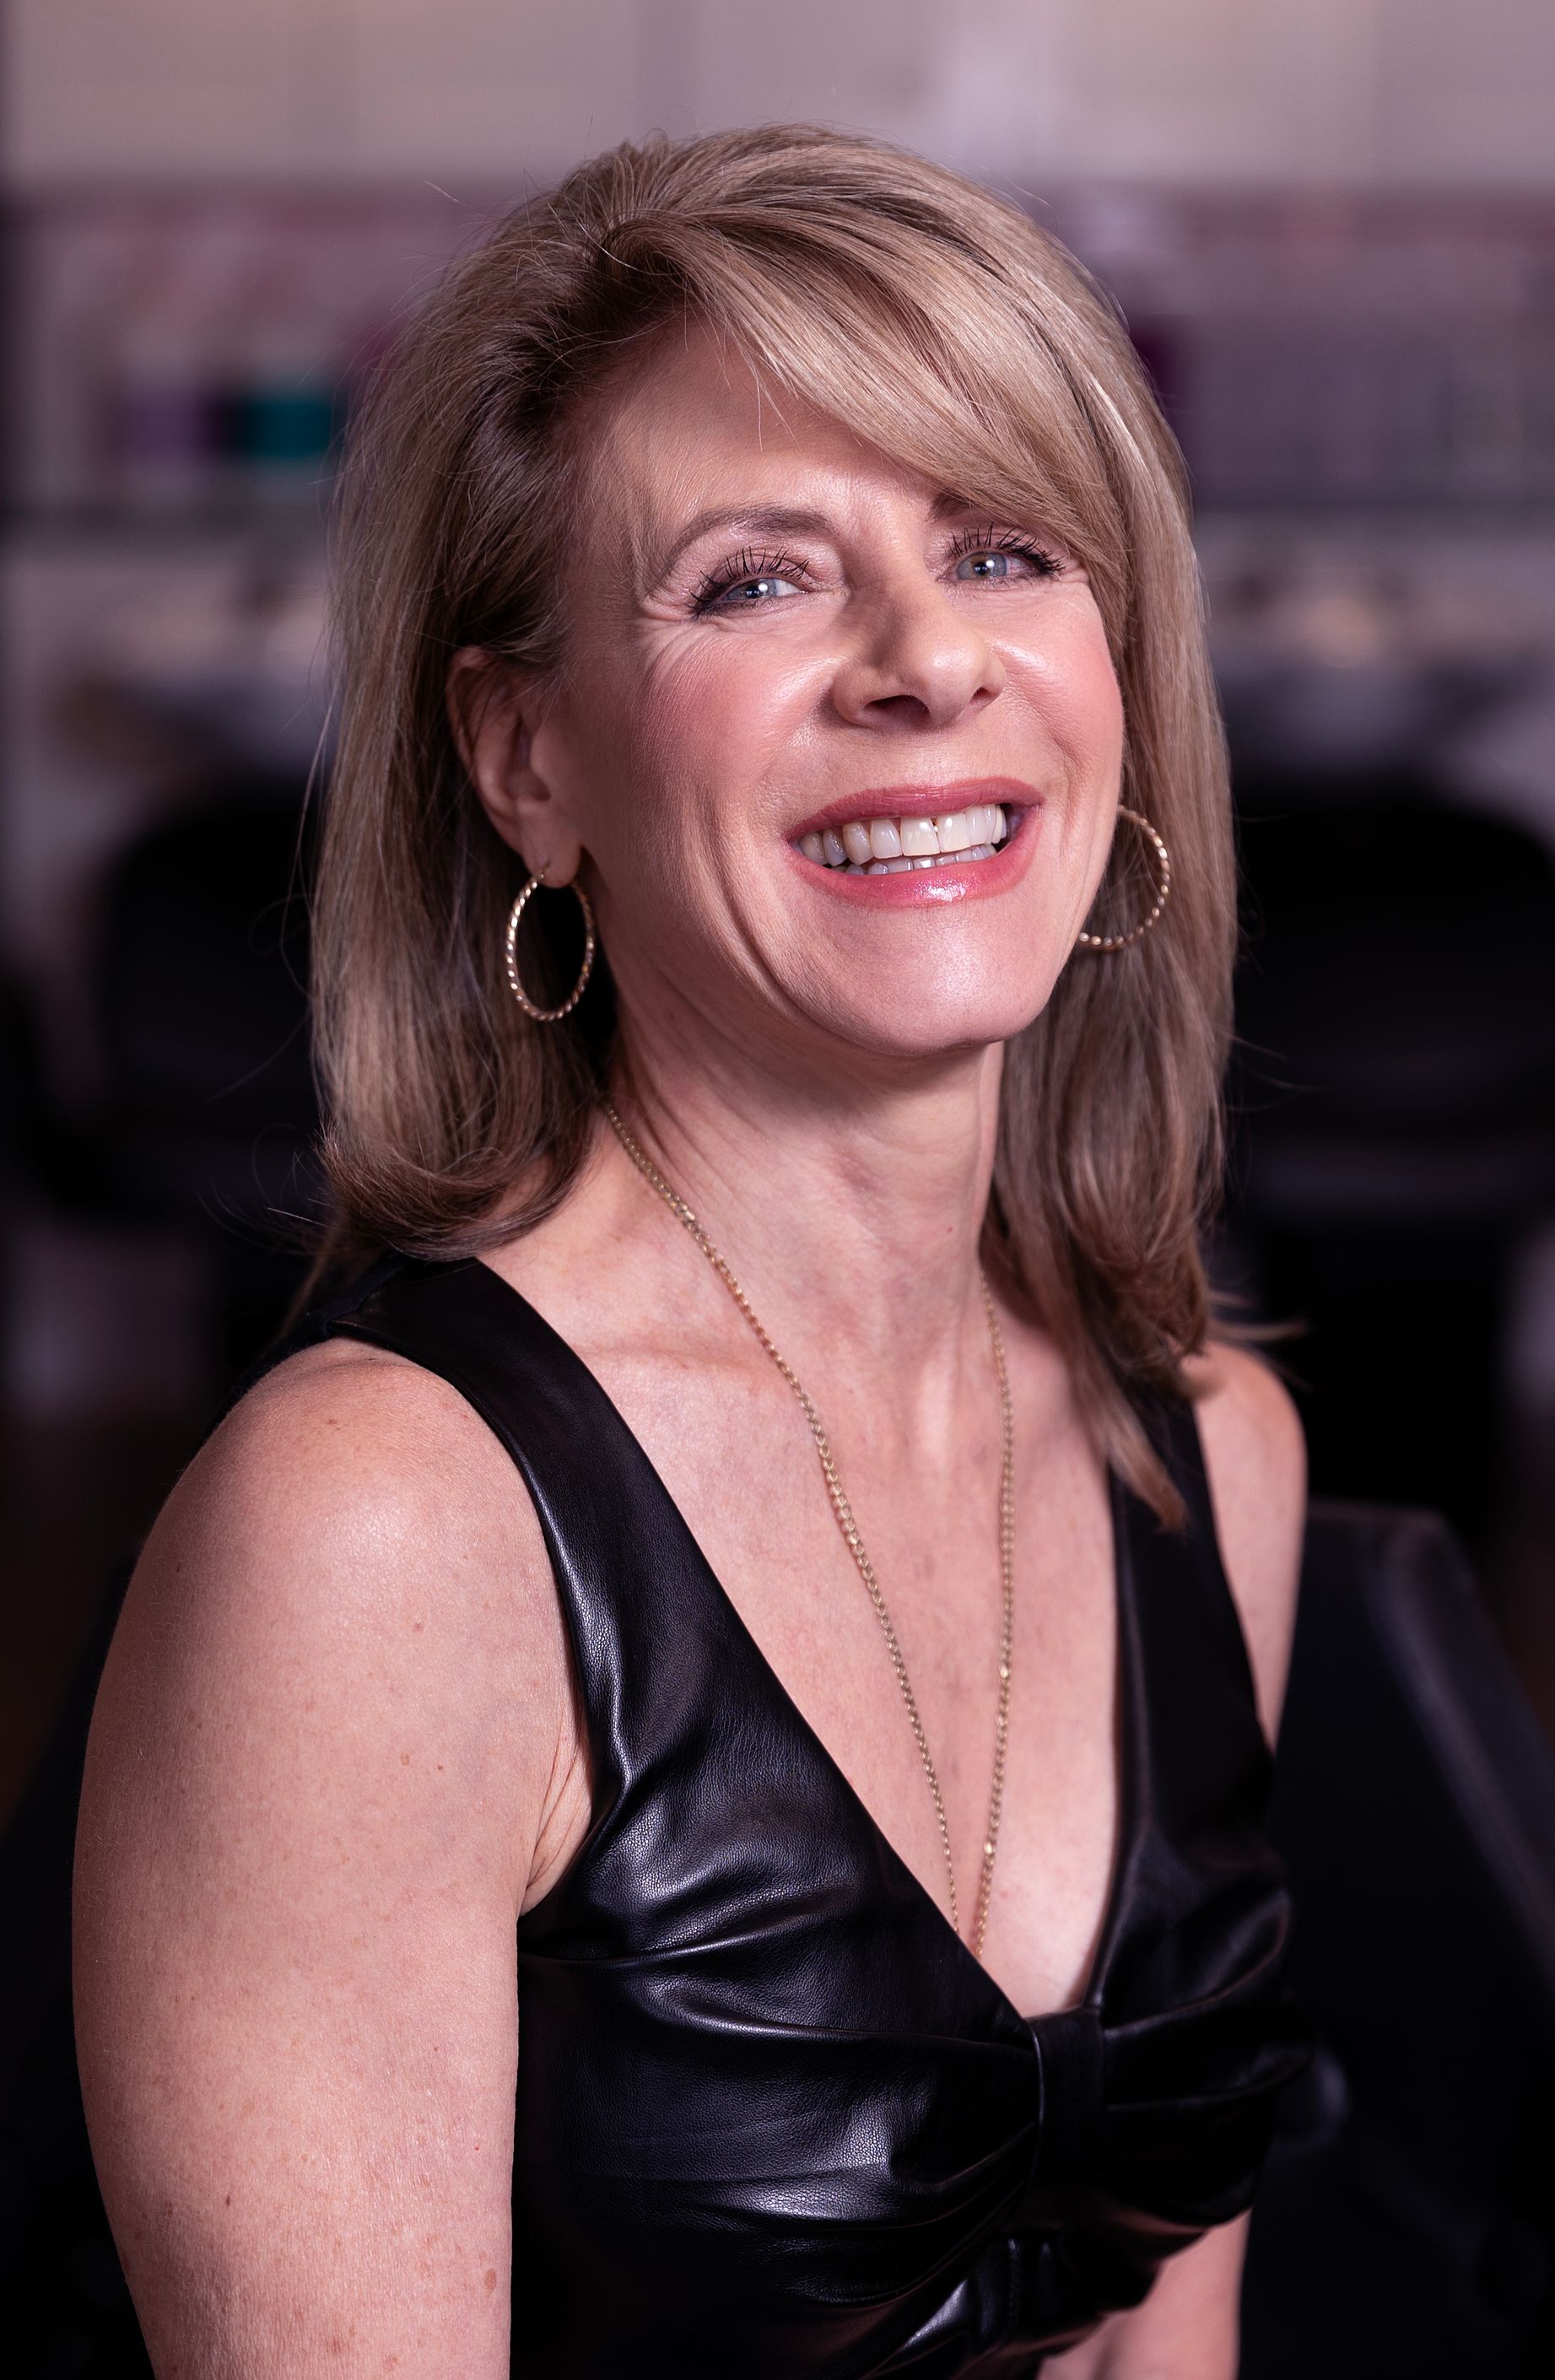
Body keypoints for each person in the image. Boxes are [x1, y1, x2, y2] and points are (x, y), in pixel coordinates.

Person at [73, 127, 1310, 2378]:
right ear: (526, 758)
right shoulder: (379, 1538)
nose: (928, 661)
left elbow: (1167, 2345)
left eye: (1005, 549)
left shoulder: (1212, 1449)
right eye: (756, 581)